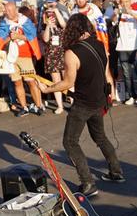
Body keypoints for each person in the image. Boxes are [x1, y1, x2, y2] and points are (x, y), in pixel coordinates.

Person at [37, 13, 123, 198]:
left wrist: (47, 89)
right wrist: (110, 95)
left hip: (83, 103)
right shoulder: (99, 44)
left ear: (72, 30)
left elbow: (68, 82)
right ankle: (116, 171)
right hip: (99, 99)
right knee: (100, 137)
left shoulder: (72, 52)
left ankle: (88, 183)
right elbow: (106, 73)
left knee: (70, 142)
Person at [0, 1, 44, 116]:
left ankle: (38, 105)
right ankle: (24, 107)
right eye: (6, 11)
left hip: (25, 56)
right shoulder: (4, 23)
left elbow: (33, 36)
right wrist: (9, 38)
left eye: (9, 10)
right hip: (11, 58)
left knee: (31, 81)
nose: (7, 13)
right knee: (17, 82)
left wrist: (18, 36)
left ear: (15, 10)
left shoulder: (25, 21)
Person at [111, 0, 137, 104]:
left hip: (135, 46)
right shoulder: (119, 14)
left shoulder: (136, 11)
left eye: (126, 1)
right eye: (122, 2)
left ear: (130, 1)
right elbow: (112, 21)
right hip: (122, 47)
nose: (124, 4)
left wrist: (128, 11)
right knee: (127, 74)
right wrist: (116, 13)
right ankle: (131, 96)